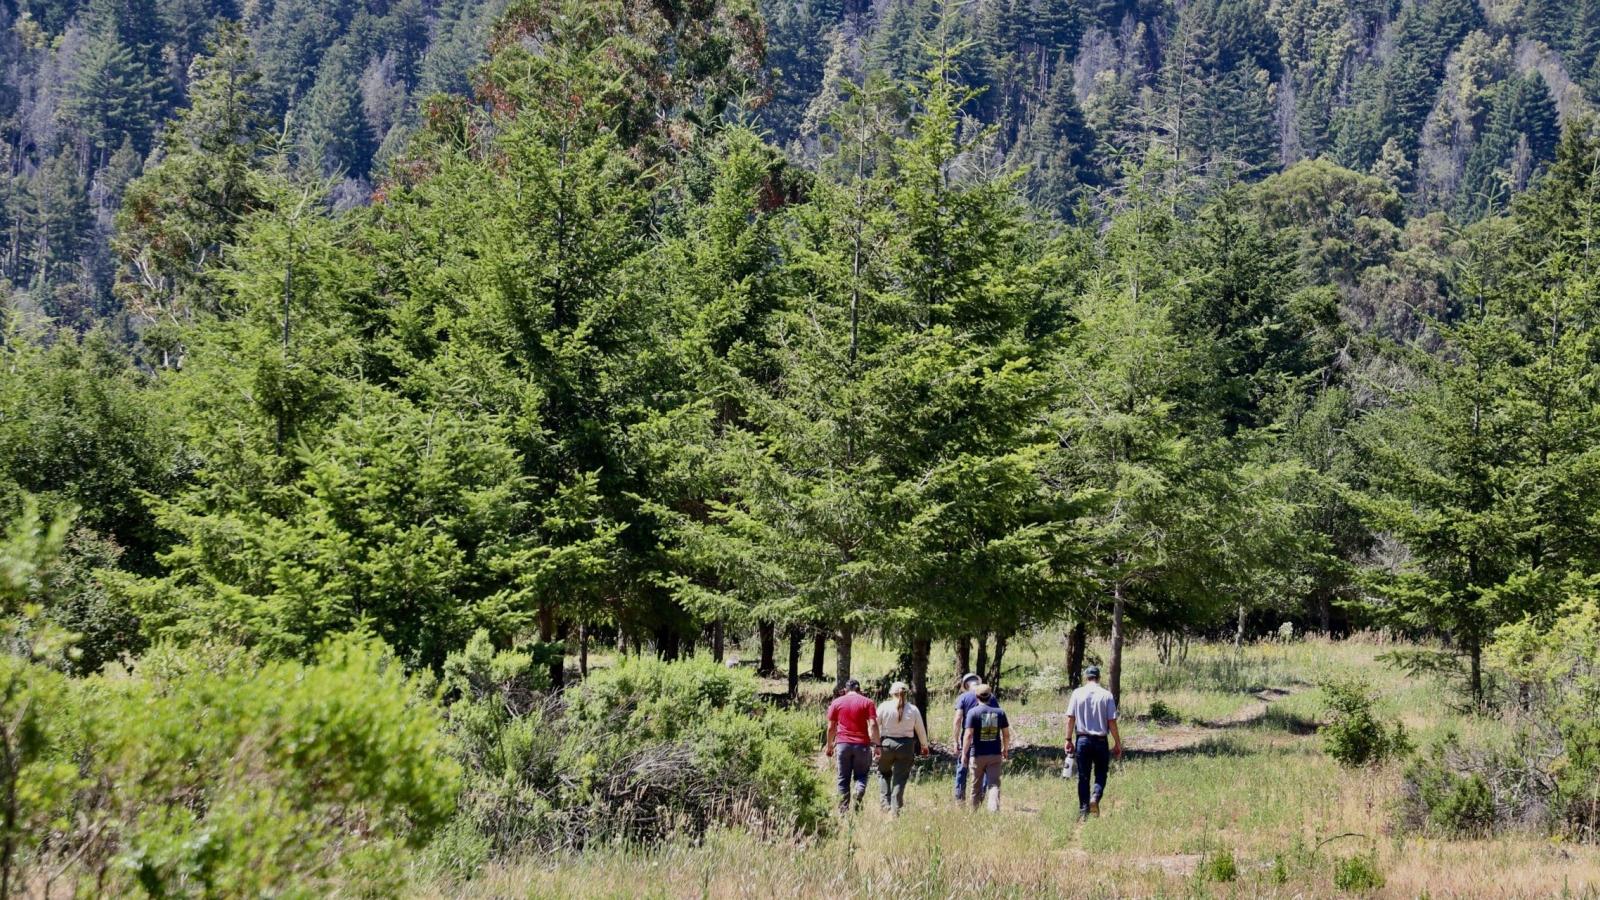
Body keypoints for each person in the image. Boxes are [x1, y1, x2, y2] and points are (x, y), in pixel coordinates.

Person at [1064, 665, 1123, 821]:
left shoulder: (1077, 693)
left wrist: (1068, 739)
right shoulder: (1107, 695)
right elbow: (1112, 721)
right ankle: (1095, 797)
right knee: (1101, 773)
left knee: (1083, 776)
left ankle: (1083, 810)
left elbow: (1070, 718)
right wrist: (1117, 743)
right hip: (1101, 741)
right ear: (1099, 677)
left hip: (1082, 740)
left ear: (1086, 677)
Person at [824, 678, 879, 813]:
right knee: (861, 775)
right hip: (862, 745)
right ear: (859, 690)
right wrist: (877, 745)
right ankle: (859, 790)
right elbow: (873, 724)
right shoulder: (868, 702)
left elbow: (831, 727)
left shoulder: (836, 702)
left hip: (843, 744)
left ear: (845, 690)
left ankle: (843, 812)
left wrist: (829, 745)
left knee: (843, 778)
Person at [875, 681, 930, 814]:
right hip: (906, 746)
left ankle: (885, 804)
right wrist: (924, 746)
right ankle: (896, 808)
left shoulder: (884, 706)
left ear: (891, 693)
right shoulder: (913, 709)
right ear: (906, 693)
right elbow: (921, 730)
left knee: (883, 773)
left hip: (886, 744)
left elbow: (875, 726)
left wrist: (876, 744)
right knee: (900, 778)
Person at [960, 683, 1011, 811]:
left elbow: (968, 735)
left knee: (975, 786)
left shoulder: (973, 712)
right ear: (990, 696)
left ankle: (973, 812)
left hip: (977, 755)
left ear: (977, 696)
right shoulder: (1000, 712)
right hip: (995, 754)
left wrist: (964, 754)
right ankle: (993, 809)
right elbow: (1006, 734)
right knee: (994, 784)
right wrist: (1005, 749)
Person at [952, 672, 982, 804]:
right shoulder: (990, 696)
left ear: (966, 685)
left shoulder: (963, 697)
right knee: (984, 767)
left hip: (967, 735)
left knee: (963, 764)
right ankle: (981, 796)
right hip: (986, 736)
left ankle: (960, 797)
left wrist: (955, 740)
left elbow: (958, 719)